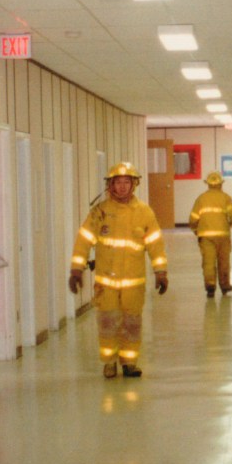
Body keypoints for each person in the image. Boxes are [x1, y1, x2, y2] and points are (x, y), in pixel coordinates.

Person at [68, 162, 168, 378]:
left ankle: (129, 362)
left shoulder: (144, 212)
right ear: (110, 185)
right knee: (107, 322)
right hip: (106, 282)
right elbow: (84, 240)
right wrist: (77, 269)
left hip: (134, 282)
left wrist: (160, 271)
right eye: (118, 182)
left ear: (134, 184)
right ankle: (109, 362)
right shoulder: (100, 212)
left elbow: (155, 244)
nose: (122, 187)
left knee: (132, 322)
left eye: (126, 182)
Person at [189, 171, 232, 297]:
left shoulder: (201, 199)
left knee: (208, 262)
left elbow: (193, 218)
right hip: (223, 236)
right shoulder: (226, 198)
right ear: (221, 184)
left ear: (207, 184)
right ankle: (225, 286)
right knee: (224, 261)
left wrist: (195, 230)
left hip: (206, 237)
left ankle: (210, 287)